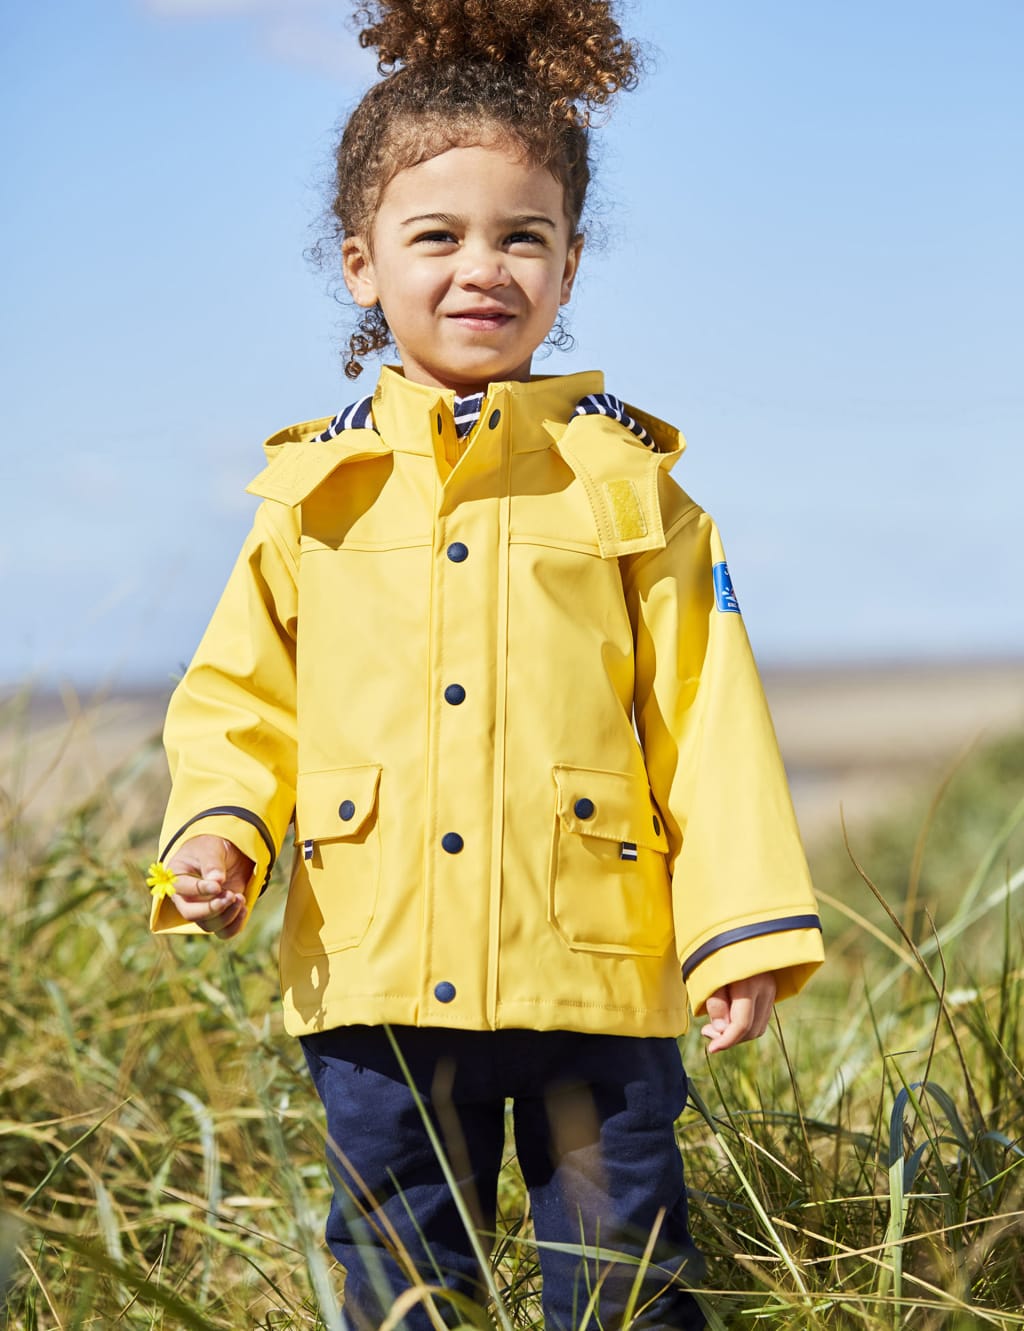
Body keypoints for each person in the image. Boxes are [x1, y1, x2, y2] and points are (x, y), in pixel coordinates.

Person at [149, 2, 824, 1327]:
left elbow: (708, 719)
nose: (484, 269)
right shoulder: (312, 496)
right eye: (437, 236)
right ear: (361, 263)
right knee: (405, 1285)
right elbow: (242, 695)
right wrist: (222, 825)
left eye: (526, 237)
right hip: (376, 972)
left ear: (570, 268)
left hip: (596, 972)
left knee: (624, 1283)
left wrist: (733, 930)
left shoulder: (636, 492)